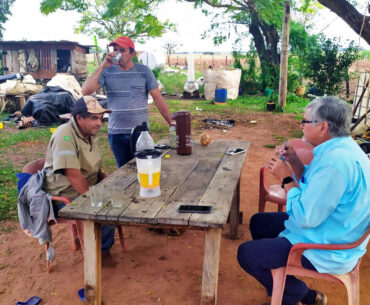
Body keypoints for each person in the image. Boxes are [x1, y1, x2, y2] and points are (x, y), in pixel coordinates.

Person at [237, 96, 370, 305]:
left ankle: (298, 294)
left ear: (322, 127)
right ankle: (289, 290)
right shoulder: (341, 150)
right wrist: (296, 163)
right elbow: (315, 189)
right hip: (333, 228)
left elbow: (306, 217)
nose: (301, 125)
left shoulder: (335, 164)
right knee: (259, 222)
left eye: (305, 121)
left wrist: (286, 177)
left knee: (247, 254)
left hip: (328, 246)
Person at [43, 95, 116, 265]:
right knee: (106, 212)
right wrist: (94, 199)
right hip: (64, 193)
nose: (99, 123)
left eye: (100, 118)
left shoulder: (89, 132)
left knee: (118, 201)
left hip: (84, 186)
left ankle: (94, 241)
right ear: (79, 118)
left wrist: (106, 182)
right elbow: (72, 174)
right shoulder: (65, 136)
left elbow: (92, 165)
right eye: (93, 118)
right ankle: (100, 254)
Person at [81, 36, 172, 167]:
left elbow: (158, 98)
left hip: (141, 132)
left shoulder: (144, 71)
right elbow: (85, 91)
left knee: (145, 167)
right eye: (115, 49)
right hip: (116, 132)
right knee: (124, 170)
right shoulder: (107, 71)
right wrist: (102, 66)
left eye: (122, 50)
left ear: (132, 53)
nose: (117, 53)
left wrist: (170, 122)